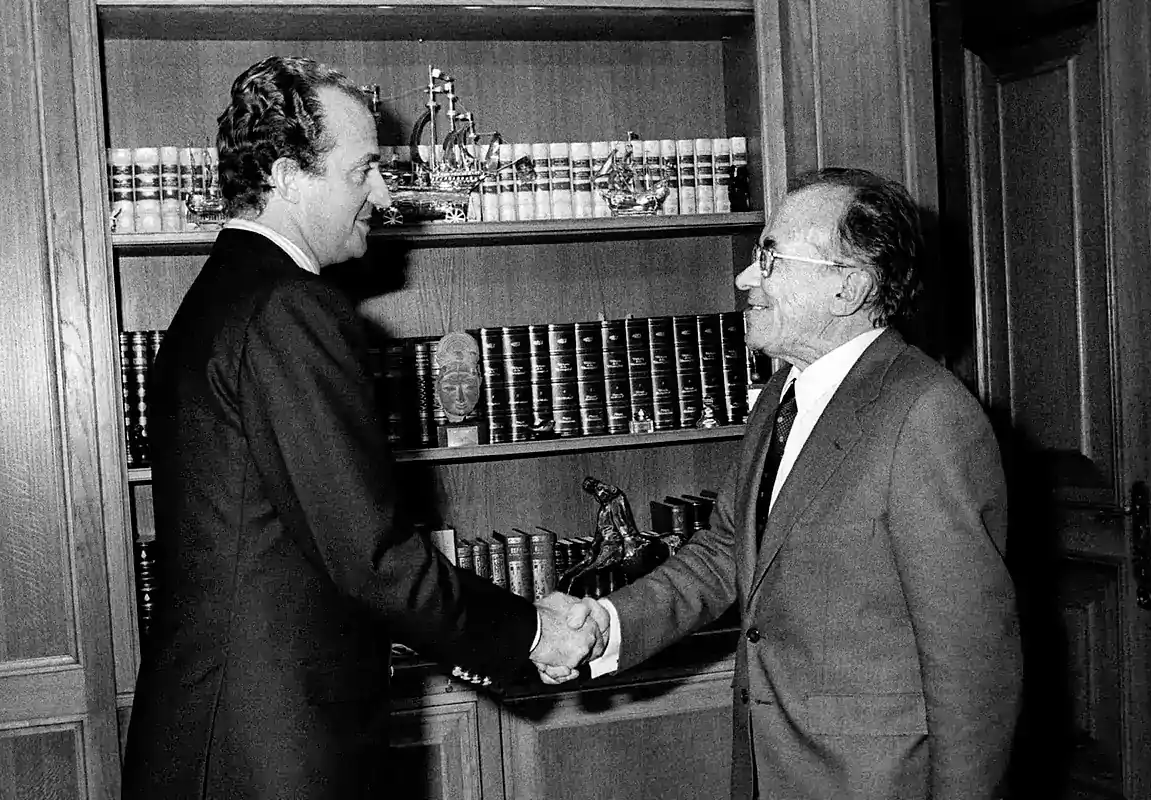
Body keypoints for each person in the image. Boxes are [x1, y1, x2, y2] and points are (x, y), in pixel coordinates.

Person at [122, 56, 598, 799]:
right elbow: (371, 555)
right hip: (271, 749)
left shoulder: (226, 293)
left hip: (231, 735)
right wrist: (530, 633)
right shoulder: (289, 309)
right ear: (287, 176)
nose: (384, 192)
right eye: (365, 168)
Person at [544, 168, 1022, 800]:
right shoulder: (782, 394)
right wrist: (608, 622)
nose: (747, 278)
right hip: (773, 769)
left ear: (847, 287)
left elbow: (973, 667)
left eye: (769, 256)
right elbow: (725, 553)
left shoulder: (928, 415)